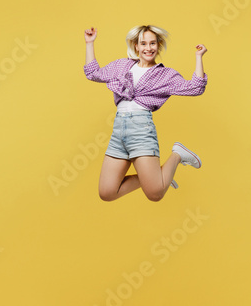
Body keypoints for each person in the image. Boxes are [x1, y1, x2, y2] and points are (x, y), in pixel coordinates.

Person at [83, 25, 208, 202]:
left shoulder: (164, 75)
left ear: (158, 45)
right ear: (136, 46)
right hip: (119, 131)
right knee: (107, 192)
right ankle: (159, 177)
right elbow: (93, 73)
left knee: (155, 194)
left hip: (141, 130)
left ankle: (177, 154)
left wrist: (198, 57)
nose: (148, 48)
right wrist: (90, 43)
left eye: (152, 43)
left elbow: (195, 88)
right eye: (143, 43)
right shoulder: (122, 66)